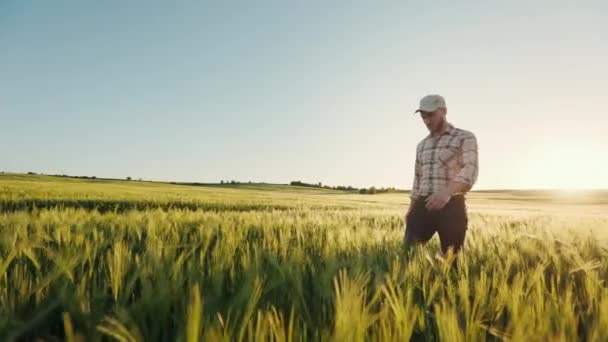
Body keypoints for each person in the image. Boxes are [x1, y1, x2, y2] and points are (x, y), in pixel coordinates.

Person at [404, 94, 479, 257]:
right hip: (422, 206)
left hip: (452, 206)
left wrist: (446, 192)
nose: (427, 121)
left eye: (431, 115)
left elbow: (470, 170)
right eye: (423, 116)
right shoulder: (421, 145)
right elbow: (417, 179)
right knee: (408, 256)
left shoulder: (464, 137)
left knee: (451, 262)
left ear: (444, 111)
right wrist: (411, 210)